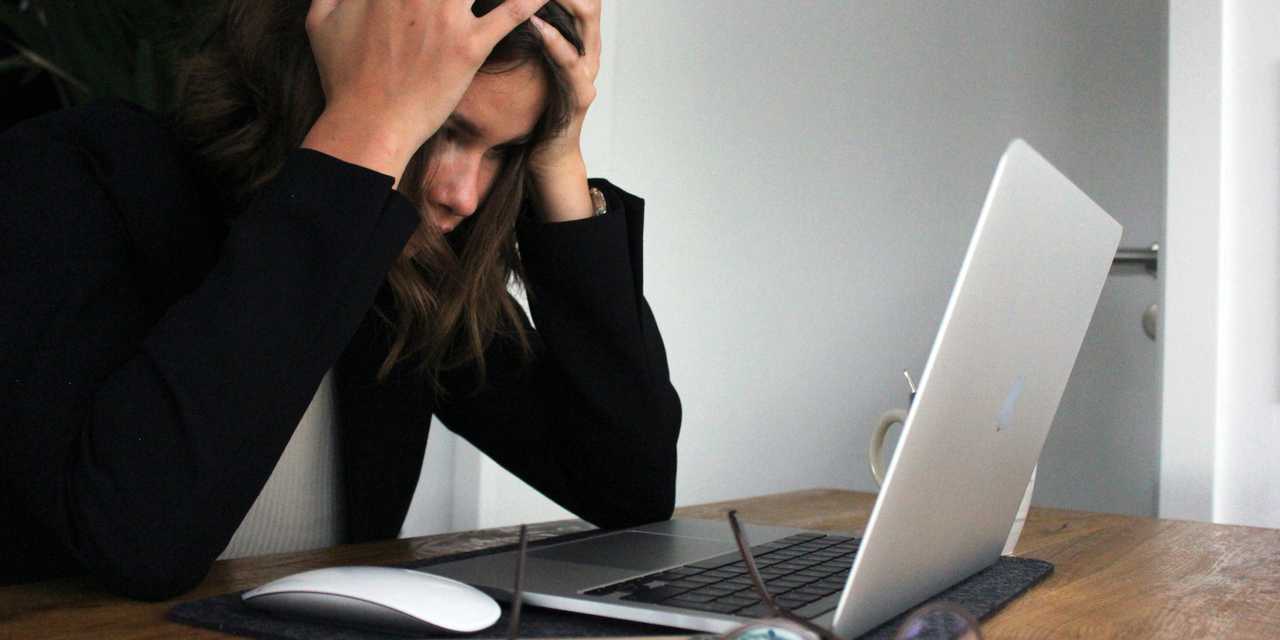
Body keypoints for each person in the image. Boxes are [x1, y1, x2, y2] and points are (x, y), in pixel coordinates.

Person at [0, 0, 681, 600]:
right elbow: (139, 544)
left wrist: (558, 154)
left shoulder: (402, 271)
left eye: (503, 152)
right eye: (446, 128)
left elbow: (629, 489)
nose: (462, 194)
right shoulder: (68, 176)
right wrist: (368, 129)